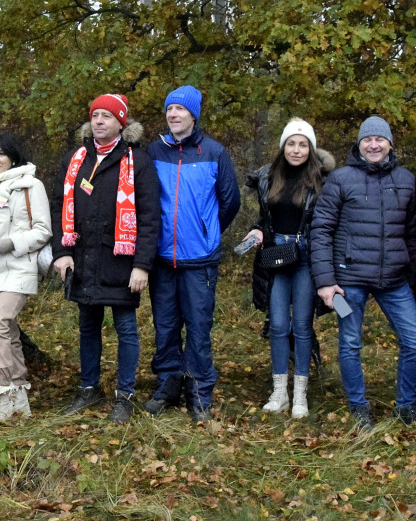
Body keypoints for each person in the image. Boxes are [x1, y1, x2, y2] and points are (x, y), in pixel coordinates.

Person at [50, 93, 161, 423]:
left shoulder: (136, 162)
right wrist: (62, 253)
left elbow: (150, 215)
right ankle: (89, 388)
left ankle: (125, 395)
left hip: (122, 263)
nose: (99, 121)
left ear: (121, 123)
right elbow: (59, 205)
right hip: (84, 261)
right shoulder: (77, 158)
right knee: (88, 328)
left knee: (126, 329)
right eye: (95, 115)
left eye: (107, 116)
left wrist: (142, 264)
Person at [310, 116, 416, 428]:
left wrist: (413, 277)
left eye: (380, 139)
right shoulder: (341, 179)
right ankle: (359, 407)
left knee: (414, 341)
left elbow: (414, 234)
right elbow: (321, 230)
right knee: (350, 343)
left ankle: (406, 405)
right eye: (367, 140)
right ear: (359, 143)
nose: (373, 145)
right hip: (349, 283)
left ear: (390, 143)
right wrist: (325, 281)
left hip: (394, 280)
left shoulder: (405, 180)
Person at [144, 85, 240, 423]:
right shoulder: (154, 151)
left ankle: (200, 391)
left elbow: (231, 202)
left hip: (199, 260)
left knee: (199, 328)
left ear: (193, 114)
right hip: (161, 259)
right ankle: (168, 383)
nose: (173, 115)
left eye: (180, 110)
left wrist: (207, 231)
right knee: (165, 325)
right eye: (169, 110)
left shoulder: (214, 152)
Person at [243, 118, 334, 419]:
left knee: (302, 326)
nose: (296, 150)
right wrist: (257, 231)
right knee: (279, 325)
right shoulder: (269, 178)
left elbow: (326, 223)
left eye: (303, 144)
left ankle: (300, 395)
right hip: (276, 256)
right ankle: (280, 392)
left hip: (306, 257)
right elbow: (265, 218)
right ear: (283, 146)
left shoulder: (323, 180)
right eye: (291, 143)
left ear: (311, 148)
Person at [0, 132, 52, 421]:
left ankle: (2, 391)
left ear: (13, 156)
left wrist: (11, 243)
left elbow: (43, 230)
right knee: (9, 334)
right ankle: (19, 399)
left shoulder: (31, 185)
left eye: (1, 154)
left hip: (19, 267)